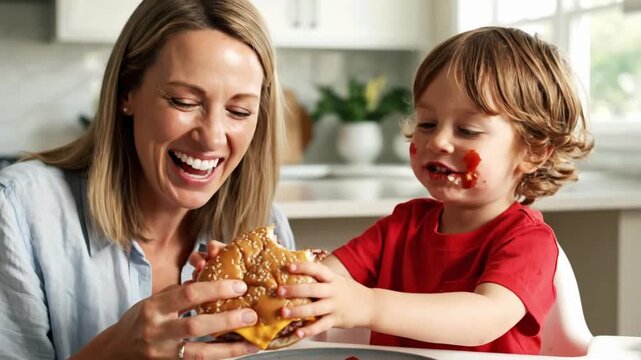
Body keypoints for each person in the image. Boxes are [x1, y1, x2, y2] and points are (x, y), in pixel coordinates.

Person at [0, 0, 294, 359]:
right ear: (127, 92)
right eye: (184, 101)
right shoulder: (17, 211)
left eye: (239, 111)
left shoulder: (264, 227)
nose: (213, 137)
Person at [275, 27, 594, 354]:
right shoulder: (402, 225)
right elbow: (320, 282)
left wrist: (370, 305)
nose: (438, 141)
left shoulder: (528, 241)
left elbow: (484, 319)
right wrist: (273, 289)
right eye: (427, 124)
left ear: (533, 151)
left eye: (467, 130)